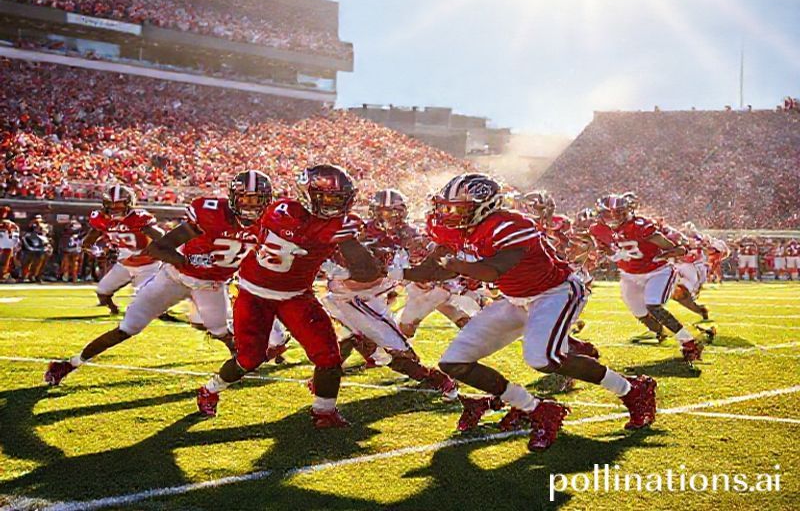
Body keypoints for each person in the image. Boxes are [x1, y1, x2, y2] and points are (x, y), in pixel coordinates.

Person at [403, 174, 656, 452]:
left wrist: (454, 263)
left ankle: (632, 389)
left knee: (544, 358)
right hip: (515, 299)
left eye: (457, 209)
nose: (449, 214)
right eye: (446, 207)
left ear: (485, 206)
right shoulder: (449, 229)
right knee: (454, 362)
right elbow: (432, 270)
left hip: (554, 292)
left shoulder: (510, 225)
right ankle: (537, 409)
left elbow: (493, 270)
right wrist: (392, 272)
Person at [43, 170, 271, 386]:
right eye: (244, 198)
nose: (249, 205)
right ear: (233, 197)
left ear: (267, 200)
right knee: (128, 328)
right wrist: (186, 261)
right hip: (174, 277)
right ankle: (70, 364)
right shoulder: (211, 214)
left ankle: (241, 364)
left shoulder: (269, 226)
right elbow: (158, 248)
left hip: (211, 284)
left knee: (220, 330)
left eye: (256, 199)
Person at [196, 165, 383, 428]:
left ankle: (324, 412)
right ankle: (210, 389)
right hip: (254, 294)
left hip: (296, 296)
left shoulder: (333, 223)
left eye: (338, 198)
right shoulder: (282, 213)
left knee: (329, 356)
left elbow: (367, 271)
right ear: (308, 194)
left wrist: (352, 249)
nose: (333, 204)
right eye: (327, 197)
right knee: (249, 359)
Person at [321, 189, 457, 398]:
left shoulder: (410, 234)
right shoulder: (361, 232)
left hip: (370, 296)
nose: (389, 217)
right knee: (395, 350)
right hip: (351, 297)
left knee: (375, 346)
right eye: (383, 212)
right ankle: (438, 380)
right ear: (374, 212)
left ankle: (326, 377)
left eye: (394, 212)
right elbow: (354, 270)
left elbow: (424, 259)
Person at [590, 195, 704, 363]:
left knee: (653, 305)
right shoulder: (597, 229)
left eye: (620, 212)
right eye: (611, 213)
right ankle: (661, 333)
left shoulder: (639, 226)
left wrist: (673, 252)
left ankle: (689, 343)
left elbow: (672, 247)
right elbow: (604, 249)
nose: (616, 217)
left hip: (656, 271)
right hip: (629, 275)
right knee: (640, 313)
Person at [81, 185, 164, 314]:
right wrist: (96, 251)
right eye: (111, 204)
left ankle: (161, 309)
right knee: (102, 292)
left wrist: (154, 248)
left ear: (128, 203)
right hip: (124, 264)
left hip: (147, 264)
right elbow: (89, 241)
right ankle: (114, 311)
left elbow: (160, 235)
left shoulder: (138, 217)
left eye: (119, 204)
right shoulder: (102, 218)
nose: (114, 208)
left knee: (145, 300)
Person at [0, 206, 19, 282]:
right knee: (5, 262)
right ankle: (2, 275)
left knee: (6, 262)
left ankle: (3, 275)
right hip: (7, 244)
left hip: (7, 245)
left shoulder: (12, 224)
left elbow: (15, 235)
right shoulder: (12, 224)